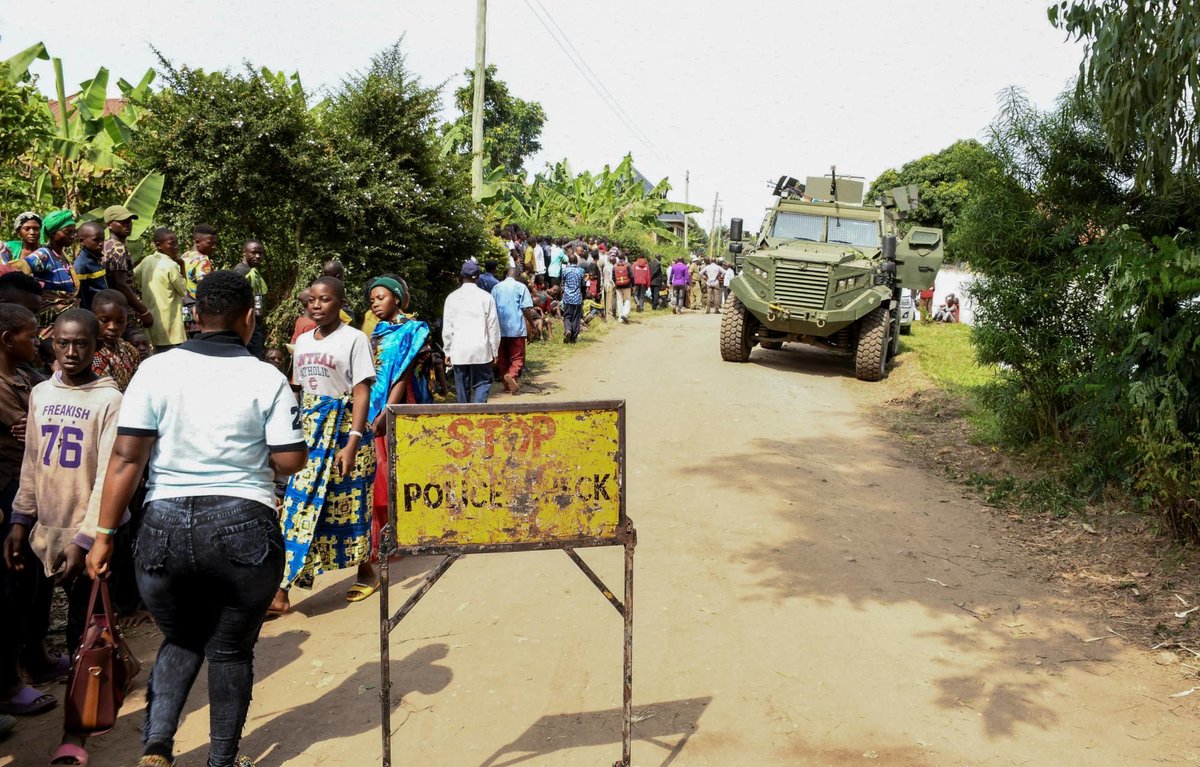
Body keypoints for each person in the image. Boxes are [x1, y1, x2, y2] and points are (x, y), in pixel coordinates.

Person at [86, 270, 307, 767]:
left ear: (194, 316)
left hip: (162, 525)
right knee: (230, 650)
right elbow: (291, 461)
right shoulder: (265, 376)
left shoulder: (155, 370)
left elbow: (126, 458)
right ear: (250, 317)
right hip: (242, 525)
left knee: (181, 637)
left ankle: (157, 746)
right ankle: (221, 761)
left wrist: (103, 536)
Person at [5, 308, 122, 767]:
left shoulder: (109, 400)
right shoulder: (39, 393)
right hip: (43, 529)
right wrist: (20, 518)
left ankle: (76, 733)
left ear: (97, 348)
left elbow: (111, 475)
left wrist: (87, 539)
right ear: (52, 343)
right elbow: (32, 460)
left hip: (89, 535)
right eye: (63, 344)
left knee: (84, 632)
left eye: (83, 345)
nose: (72, 353)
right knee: (27, 614)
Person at [275, 276, 376, 613]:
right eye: (312, 300)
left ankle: (366, 571)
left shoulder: (354, 339)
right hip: (310, 431)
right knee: (296, 507)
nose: (317, 306)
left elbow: (362, 390)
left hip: (346, 430)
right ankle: (281, 591)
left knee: (349, 503)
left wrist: (352, 442)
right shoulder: (303, 341)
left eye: (325, 300)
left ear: (341, 303)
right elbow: (299, 392)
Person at [0, 303, 61, 727]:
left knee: (35, 582)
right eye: (30, 334)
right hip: (7, 493)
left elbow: (41, 417)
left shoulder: (25, 377)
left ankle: (35, 658)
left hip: (31, 490)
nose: (36, 340)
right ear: (7, 340)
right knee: (10, 590)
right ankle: (7, 683)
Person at [365, 276, 431, 559]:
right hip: (370, 402)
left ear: (396, 298)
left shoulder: (412, 330)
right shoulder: (377, 330)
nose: (375, 304)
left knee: (391, 469)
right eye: (371, 301)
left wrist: (386, 411)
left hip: (395, 406)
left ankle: (399, 532)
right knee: (376, 473)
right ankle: (379, 538)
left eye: (380, 298)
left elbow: (403, 375)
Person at [443, 261, 500, 403]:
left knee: (462, 385)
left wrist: (447, 351)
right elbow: (493, 326)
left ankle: (464, 414)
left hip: (459, 349)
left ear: (461, 276)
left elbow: (448, 328)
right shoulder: (486, 297)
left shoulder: (452, 298)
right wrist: (495, 350)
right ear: (478, 276)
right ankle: (479, 412)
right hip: (482, 349)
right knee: (482, 382)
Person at [13, 210, 79, 333]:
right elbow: (17, 270)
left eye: (74, 232)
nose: (73, 236)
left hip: (64, 318)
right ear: (53, 233)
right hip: (48, 323)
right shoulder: (43, 255)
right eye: (67, 232)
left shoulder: (63, 256)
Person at [134, 229, 187, 353]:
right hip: (171, 328)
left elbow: (134, 278)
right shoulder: (171, 265)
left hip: (152, 323)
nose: (176, 247)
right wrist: (182, 267)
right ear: (159, 245)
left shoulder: (147, 260)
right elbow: (183, 290)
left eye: (176, 243)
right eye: (171, 244)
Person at [101, 205, 153, 330]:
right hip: (123, 308)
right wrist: (143, 311)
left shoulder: (105, 245)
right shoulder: (118, 248)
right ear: (109, 225)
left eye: (129, 221)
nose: (127, 225)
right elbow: (121, 284)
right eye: (121, 222)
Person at [491, 267, 535, 394]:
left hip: (499, 328)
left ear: (506, 275)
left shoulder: (496, 288)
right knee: (517, 357)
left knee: (503, 357)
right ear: (518, 275)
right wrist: (532, 324)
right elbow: (526, 308)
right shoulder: (521, 287)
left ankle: (506, 385)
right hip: (516, 328)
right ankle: (512, 374)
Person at [91, 289, 141, 392]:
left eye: (120, 321)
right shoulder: (89, 352)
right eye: (104, 320)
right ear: (93, 318)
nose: (112, 327)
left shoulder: (130, 350)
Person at [233, 240, 268, 360]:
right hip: (247, 325)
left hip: (254, 323)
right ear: (244, 252)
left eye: (260, 253)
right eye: (254, 253)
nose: (258, 256)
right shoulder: (242, 272)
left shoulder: (252, 271)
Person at [73, 221, 109, 311]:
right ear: (82, 241)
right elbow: (82, 296)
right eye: (96, 240)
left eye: (102, 239)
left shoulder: (96, 258)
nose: (101, 243)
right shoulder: (81, 265)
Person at [181, 224, 216, 300]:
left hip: (184, 303)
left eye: (214, 243)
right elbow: (205, 288)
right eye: (210, 243)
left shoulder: (184, 256)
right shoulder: (203, 260)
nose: (214, 247)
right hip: (197, 304)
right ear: (197, 242)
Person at [560, 254, 585, 343]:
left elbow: (562, 282)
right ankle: (573, 338)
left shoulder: (565, 270)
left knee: (567, 316)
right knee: (576, 318)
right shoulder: (581, 271)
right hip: (577, 298)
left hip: (567, 297)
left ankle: (568, 329)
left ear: (569, 261)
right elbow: (583, 285)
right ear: (576, 261)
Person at [612, 251, 633, 323]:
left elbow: (613, 277)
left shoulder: (615, 266)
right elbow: (632, 276)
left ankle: (620, 318)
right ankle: (624, 314)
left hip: (618, 285)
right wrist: (632, 285)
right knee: (627, 300)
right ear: (624, 258)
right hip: (626, 285)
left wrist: (616, 283)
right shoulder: (627, 265)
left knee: (619, 300)